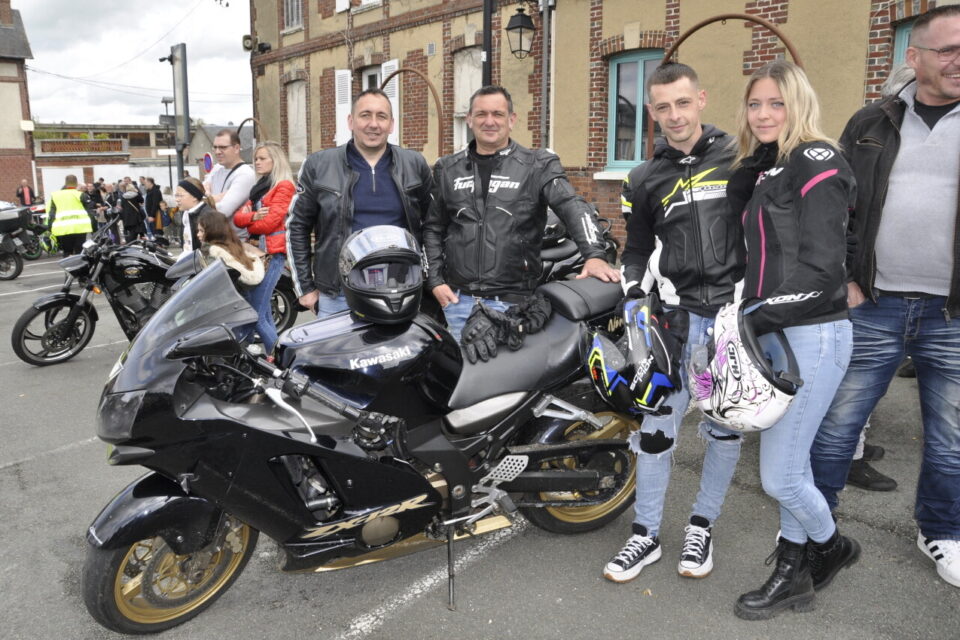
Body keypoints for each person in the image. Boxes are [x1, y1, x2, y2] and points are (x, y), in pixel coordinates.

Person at [811, 5, 960, 589]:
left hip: (952, 314)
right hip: (874, 303)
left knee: (950, 439)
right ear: (914, 57)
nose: (958, 59)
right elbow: (835, 208)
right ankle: (812, 530)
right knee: (836, 426)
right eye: (946, 49)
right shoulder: (870, 122)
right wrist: (846, 279)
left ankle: (942, 532)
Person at [602, 63, 744, 584]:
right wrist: (631, 295)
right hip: (673, 329)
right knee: (657, 432)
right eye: (661, 107)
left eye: (682, 103)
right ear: (652, 112)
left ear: (701, 99)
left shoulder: (739, 159)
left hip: (726, 332)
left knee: (721, 430)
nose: (673, 115)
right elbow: (635, 249)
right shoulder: (642, 178)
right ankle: (645, 534)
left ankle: (701, 526)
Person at [727, 60, 858, 620]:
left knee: (779, 474)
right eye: (755, 104)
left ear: (798, 104)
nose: (762, 114)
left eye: (775, 103)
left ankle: (828, 547)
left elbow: (823, 268)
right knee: (791, 465)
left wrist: (753, 318)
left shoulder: (816, 158)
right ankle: (796, 568)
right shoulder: (770, 167)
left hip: (814, 334)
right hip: (779, 333)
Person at [423, 85, 619, 339]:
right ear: (469, 119)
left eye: (498, 114)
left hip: (514, 304)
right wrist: (436, 282)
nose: (489, 121)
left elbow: (572, 205)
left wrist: (594, 255)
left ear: (511, 120)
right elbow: (433, 227)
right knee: (469, 377)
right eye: (481, 114)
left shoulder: (537, 164)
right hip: (459, 302)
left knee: (509, 377)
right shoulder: (447, 168)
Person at [286, 88, 433, 318]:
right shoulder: (319, 165)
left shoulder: (414, 164)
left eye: (381, 116)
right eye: (365, 115)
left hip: (402, 290)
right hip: (338, 295)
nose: (373, 124)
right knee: (337, 355)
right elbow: (297, 226)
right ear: (351, 121)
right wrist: (305, 288)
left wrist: (432, 278)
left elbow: (433, 225)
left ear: (391, 124)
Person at [234, 141, 296, 353]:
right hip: (256, 254)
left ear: (275, 161)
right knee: (262, 312)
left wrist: (250, 219)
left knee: (255, 313)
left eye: (262, 159)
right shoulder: (258, 189)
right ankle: (273, 356)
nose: (257, 162)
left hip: (271, 256)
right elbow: (237, 219)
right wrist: (253, 216)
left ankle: (279, 359)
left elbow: (269, 223)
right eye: (256, 159)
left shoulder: (284, 186)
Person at [205, 129, 256, 241]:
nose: (217, 151)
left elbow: (223, 211)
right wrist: (214, 198)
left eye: (223, 147)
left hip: (235, 242)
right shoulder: (217, 168)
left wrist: (207, 198)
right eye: (215, 147)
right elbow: (199, 192)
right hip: (216, 238)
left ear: (236, 148)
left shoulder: (245, 174)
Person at [197, 210, 264, 287]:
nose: (198, 234)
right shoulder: (232, 245)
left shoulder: (214, 252)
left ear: (213, 231)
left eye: (201, 231)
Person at [47, 174, 94, 256]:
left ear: (65, 183)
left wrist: (50, 228)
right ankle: (79, 268)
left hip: (63, 228)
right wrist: (94, 228)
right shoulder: (81, 195)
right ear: (76, 184)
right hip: (80, 228)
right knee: (79, 252)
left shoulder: (55, 195)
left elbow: (52, 214)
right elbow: (90, 213)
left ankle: (68, 267)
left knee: (67, 252)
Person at [174, 176, 217, 256]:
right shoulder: (187, 213)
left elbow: (209, 251)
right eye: (176, 195)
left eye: (180, 195)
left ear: (194, 197)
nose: (177, 199)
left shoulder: (206, 216)